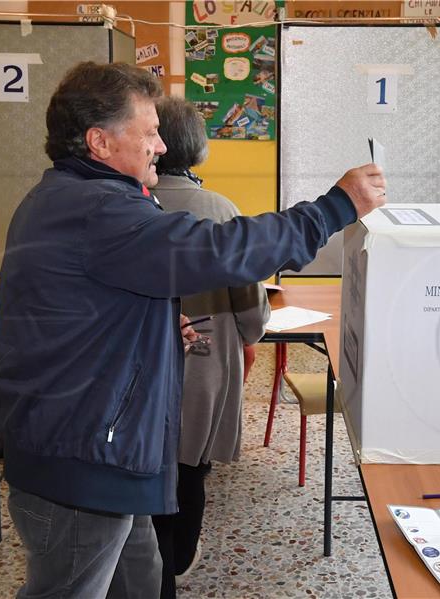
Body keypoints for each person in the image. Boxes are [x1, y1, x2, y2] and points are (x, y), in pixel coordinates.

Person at [0, 61, 385, 599]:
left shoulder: (70, 197)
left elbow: (80, 306)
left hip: (99, 448)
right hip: (81, 462)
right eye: (149, 132)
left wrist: (145, 326)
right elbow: (222, 251)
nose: (159, 145)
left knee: (145, 578)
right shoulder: (99, 210)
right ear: (99, 141)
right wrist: (335, 207)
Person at [148, 96, 271, 597]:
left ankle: (147, 560)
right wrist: (251, 332)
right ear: (199, 149)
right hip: (204, 357)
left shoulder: (130, 201)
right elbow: (251, 310)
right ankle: (178, 561)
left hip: (141, 359)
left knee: (148, 460)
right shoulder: (219, 209)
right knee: (191, 466)